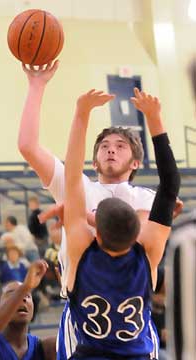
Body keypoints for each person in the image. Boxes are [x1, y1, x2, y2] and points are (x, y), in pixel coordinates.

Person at [18, 62, 182, 296]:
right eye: (104, 146)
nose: (111, 150)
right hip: (81, 306)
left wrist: (82, 214)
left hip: (132, 302)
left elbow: (131, 235)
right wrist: (36, 85)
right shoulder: (77, 185)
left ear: (136, 162)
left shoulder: (145, 197)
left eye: (120, 146)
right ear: (93, 162)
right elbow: (27, 146)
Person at [59, 87, 180, 359]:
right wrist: (155, 118)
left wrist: (81, 113)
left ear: (96, 233)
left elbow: (72, 177)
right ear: (138, 230)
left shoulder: (80, 252)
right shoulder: (148, 253)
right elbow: (171, 184)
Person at [0, 259, 56, 359]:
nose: (23, 298)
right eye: (12, 293)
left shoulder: (46, 348)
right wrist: (26, 287)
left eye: (28, 295)